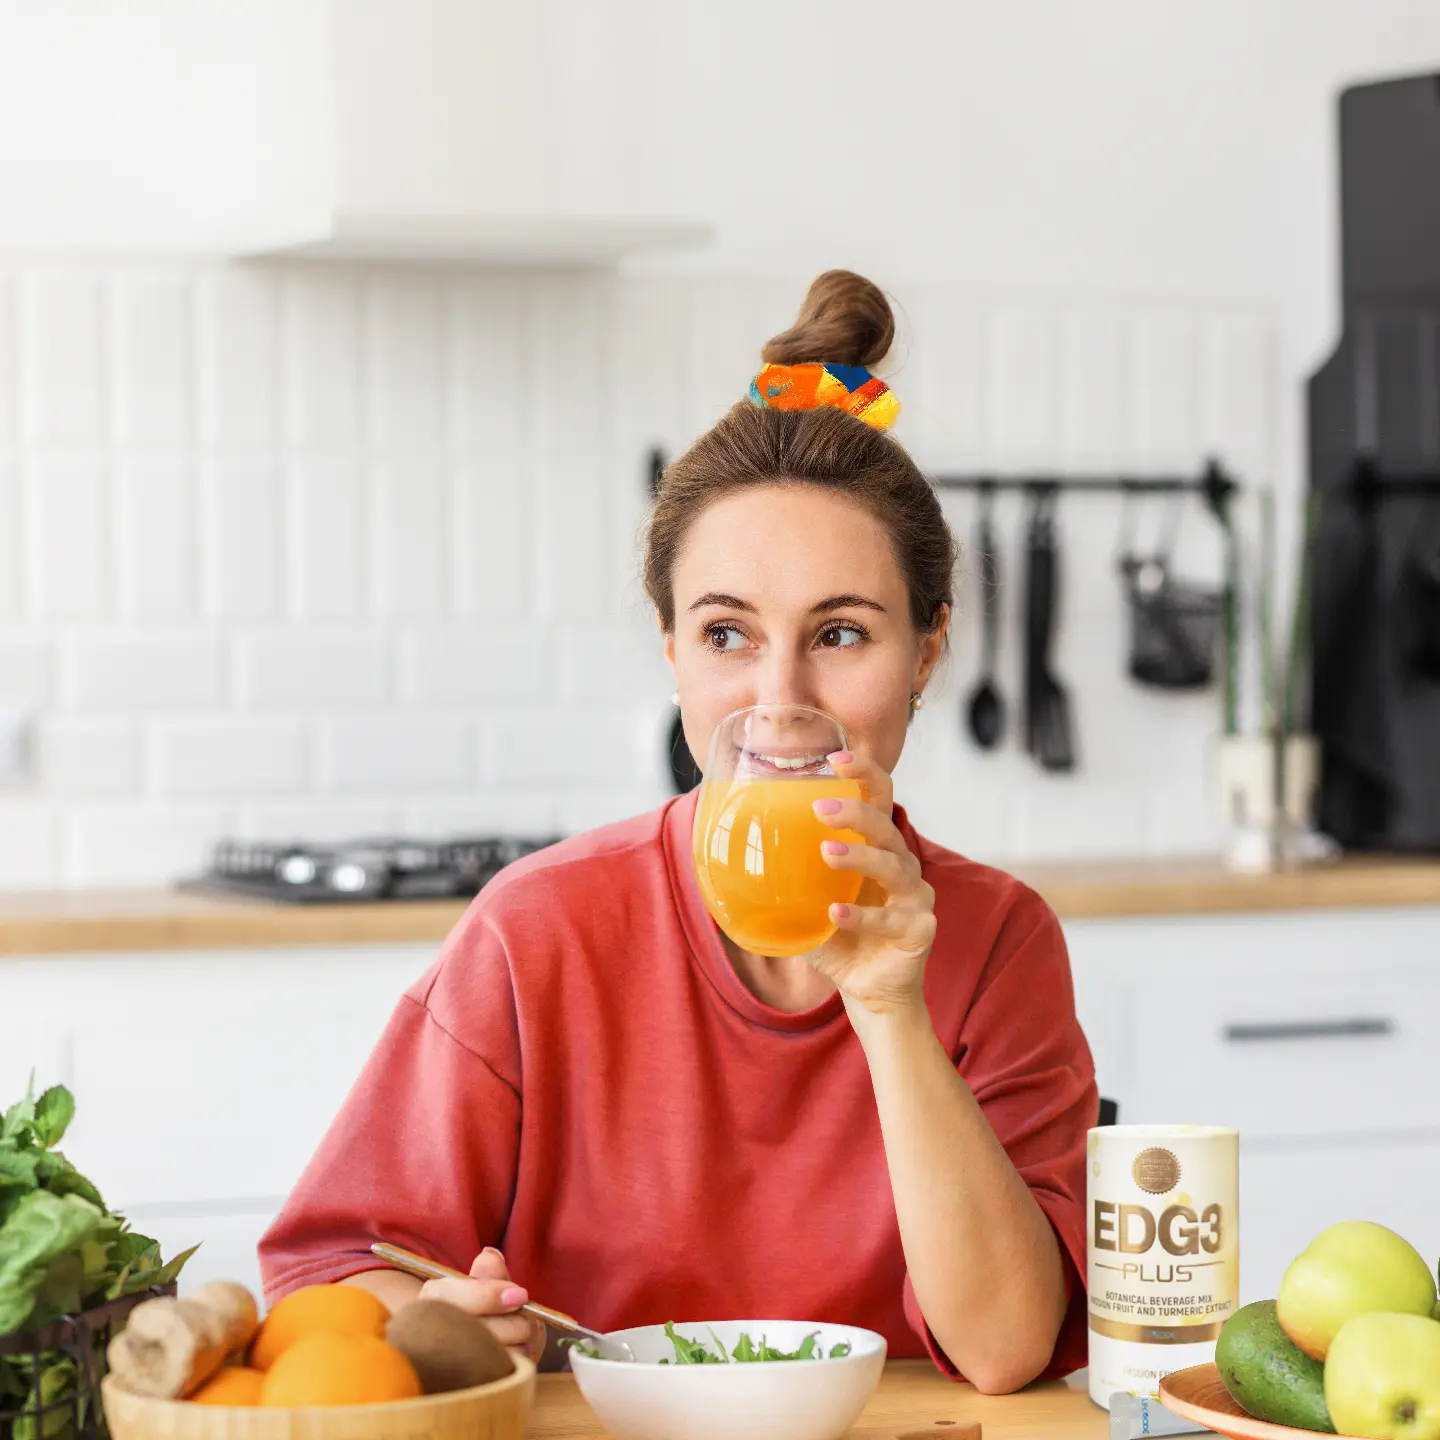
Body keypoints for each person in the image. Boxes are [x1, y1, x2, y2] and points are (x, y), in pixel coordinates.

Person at [257, 270, 1097, 1395]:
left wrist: (892, 1007)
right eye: (726, 635)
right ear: (670, 650)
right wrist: (435, 1324)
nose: (779, 698)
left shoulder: (997, 940)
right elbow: (325, 1271)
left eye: (841, 633)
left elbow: (1005, 1350)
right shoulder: (539, 930)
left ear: (929, 653)